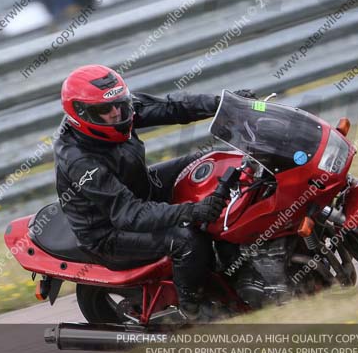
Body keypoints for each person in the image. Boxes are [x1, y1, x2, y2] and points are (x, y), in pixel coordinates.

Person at [53, 64, 255, 322]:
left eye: (119, 103)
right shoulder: (80, 161)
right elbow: (129, 213)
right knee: (187, 240)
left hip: (140, 188)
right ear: (81, 114)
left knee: (210, 162)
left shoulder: (117, 108)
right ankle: (196, 309)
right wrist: (192, 211)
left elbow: (172, 107)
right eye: (105, 109)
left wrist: (225, 104)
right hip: (109, 232)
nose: (116, 112)